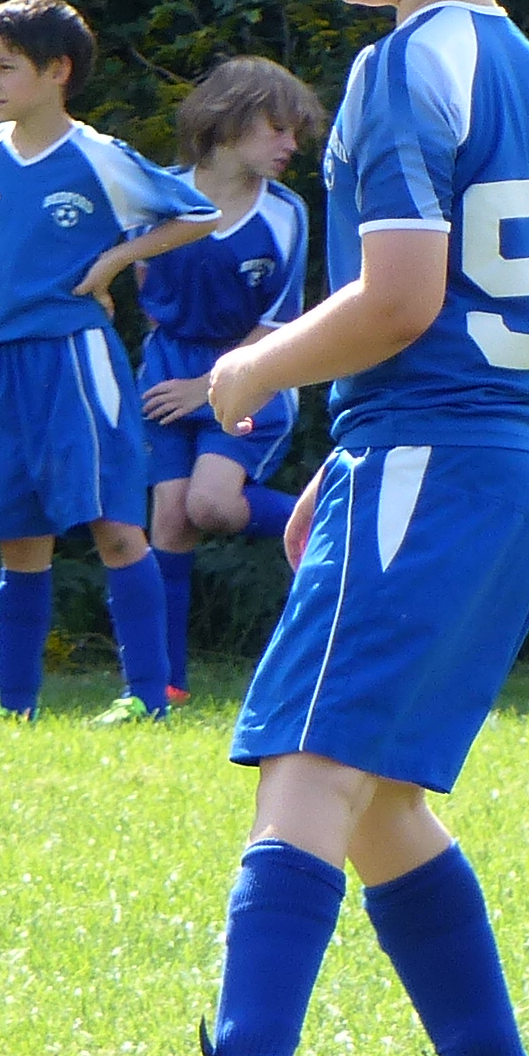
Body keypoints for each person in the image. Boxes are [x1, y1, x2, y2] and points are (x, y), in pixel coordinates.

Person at [115, 0, 529, 1056]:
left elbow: (401, 299)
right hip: (503, 460)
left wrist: (251, 369)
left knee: (309, 763)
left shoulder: (397, 68)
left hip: (433, 461)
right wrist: (352, 447)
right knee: (374, 799)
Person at [0, 0, 216, 721]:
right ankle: (13, 705)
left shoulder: (97, 156)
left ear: (58, 70)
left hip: (74, 356)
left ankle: (147, 699)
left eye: (7, 67)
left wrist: (113, 263)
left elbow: (198, 215)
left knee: (115, 526)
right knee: (18, 536)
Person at [134, 57, 327, 708]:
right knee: (170, 520)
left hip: (252, 379)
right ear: (229, 119)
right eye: (278, 128)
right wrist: (175, 372)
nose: (290, 145)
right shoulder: (157, 195)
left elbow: (278, 324)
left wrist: (205, 386)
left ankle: (324, 520)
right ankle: (163, 688)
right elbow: (144, 284)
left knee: (210, 506)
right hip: (165, 378)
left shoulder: (286, 215)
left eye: (295, 132)